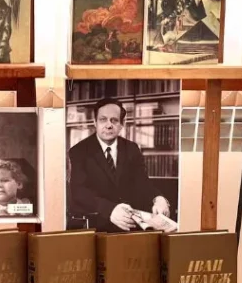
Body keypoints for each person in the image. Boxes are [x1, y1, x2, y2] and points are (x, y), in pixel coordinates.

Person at [67, 97, 174, 232]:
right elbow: (79, 192)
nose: (109, 125)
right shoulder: (79, 151)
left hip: (129, 226)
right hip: (95, 226)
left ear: (122, 124)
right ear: (95, 122)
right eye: (103, 119)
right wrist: (110, 209)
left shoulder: (132, 148)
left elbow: (143, 182)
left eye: (114, 120)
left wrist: (158, 198)